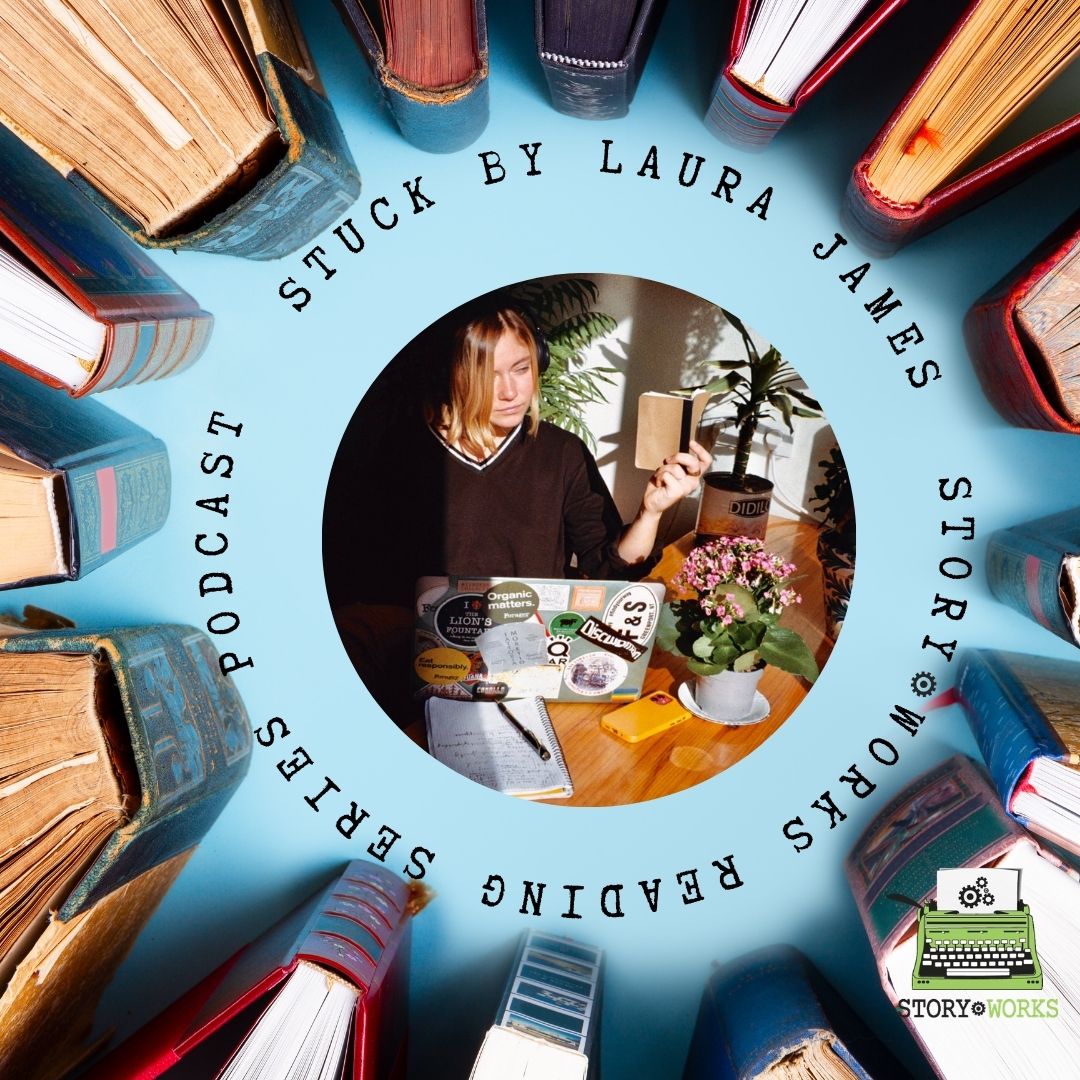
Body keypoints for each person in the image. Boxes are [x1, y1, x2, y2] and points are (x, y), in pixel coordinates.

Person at [418, 301, 712, 582]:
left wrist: (651, 512)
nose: (510, 392)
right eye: (488, 376)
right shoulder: (405, 453)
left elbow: (608, 571)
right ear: (452, 376)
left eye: (521, 369)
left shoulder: (561, 452)